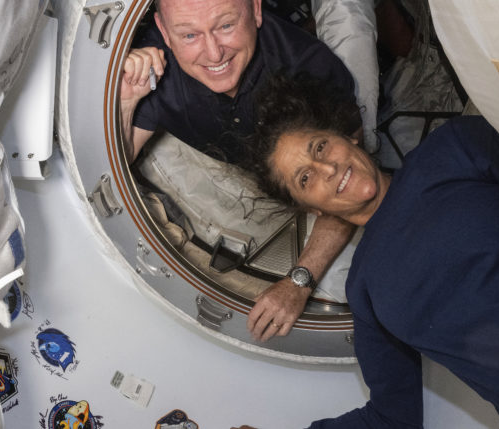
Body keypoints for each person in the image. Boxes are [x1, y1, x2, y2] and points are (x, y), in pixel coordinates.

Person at [234, 74, 499, 429]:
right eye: (306, 178)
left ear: (348, 135)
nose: (327, 170)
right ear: (313, 208)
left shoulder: (452, 149)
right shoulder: (364, 291)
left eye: (320, 147)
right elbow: (392, 419)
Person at [119, 0, 364, 341]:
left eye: (226, 26)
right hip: (230, 162)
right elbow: (120, 158)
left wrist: (299, 280)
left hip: (309, 166)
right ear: (164, 31)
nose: (213, 52)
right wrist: (129, 100)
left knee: (349, 287)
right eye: (189, 34)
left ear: (257, 10)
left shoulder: (310, 70)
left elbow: (352, 186)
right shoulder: (153, 63)